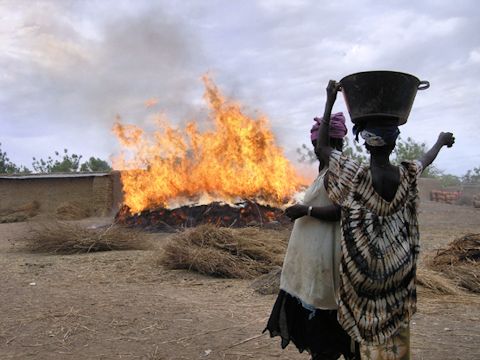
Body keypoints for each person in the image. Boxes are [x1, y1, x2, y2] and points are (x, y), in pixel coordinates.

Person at [316, 80, 455, 359]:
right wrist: (441, 141)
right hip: (397, 277)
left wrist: (330, 99)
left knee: (367, 335)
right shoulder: (405, 175)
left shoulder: (355, 175)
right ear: (394, 141)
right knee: (396, 336)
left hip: (363, 279)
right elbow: (425, 159)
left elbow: (321, 149)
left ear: (365, 142)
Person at [265, 113, 360, 359]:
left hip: (327, 254)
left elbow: (343, 211)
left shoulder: (340, 171)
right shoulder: (325, 170)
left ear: (333, 144)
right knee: (319, 318)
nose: (315, 149)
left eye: (319, 144)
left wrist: (305, 210)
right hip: (313, 254)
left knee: (327, 321)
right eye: (314, 144)